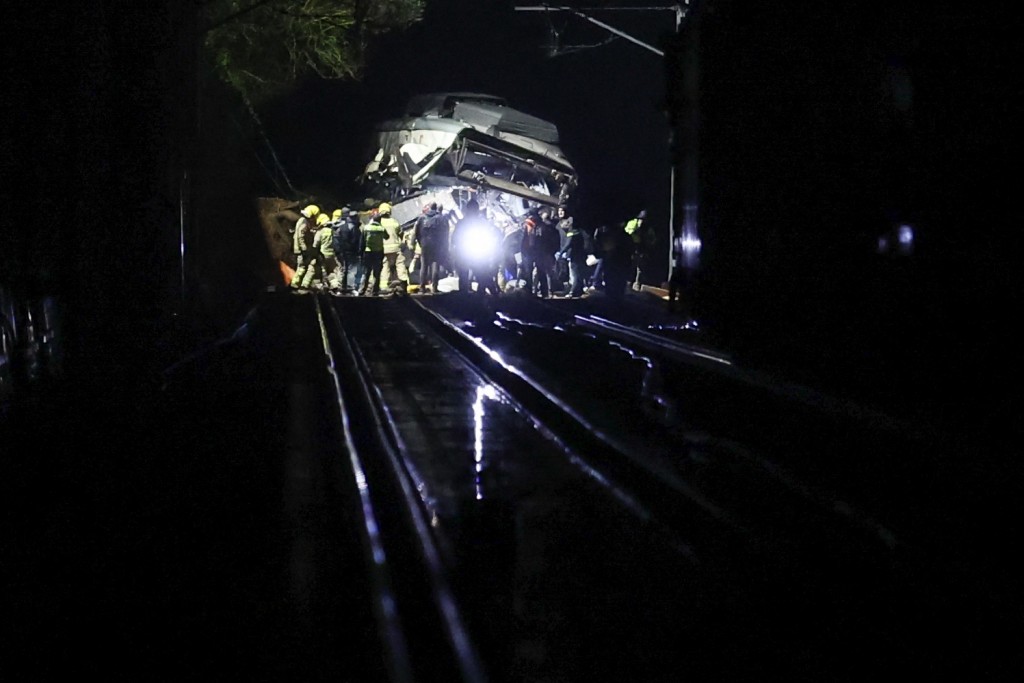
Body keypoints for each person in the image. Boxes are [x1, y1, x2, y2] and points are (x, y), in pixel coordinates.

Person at [451, 199, 501, 296]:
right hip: (470, 252)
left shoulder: (464, 223)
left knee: (479, 275)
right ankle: (481, 296)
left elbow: (454, 239)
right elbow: (455, 239)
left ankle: (479, 296)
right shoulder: (479, 223)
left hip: (473, 251)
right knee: (480, 275)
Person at [415, 202, 449, 293]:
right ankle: (434, 287)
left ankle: (422, 287)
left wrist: (421, 243)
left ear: (429, 207)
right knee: (435, 265)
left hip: (425, 244)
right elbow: (445, 233)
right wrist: (444, 245)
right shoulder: (441, 218)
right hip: (436, 245)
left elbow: (417, 232)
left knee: (424, 266)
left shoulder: (421, 218)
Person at [378, 202, 409, 294]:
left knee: (385, 267)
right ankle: (404, 283)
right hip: (395, 249)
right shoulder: (394, 222)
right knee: (400, 264)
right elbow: (400, 233)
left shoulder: (378, 223)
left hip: (383, 249)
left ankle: (383, 286)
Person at [556, 207, 587, 298]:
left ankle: (574, 291)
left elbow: (570, 240)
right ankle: (577, 289)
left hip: (575, 251)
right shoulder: (561, 223)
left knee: (575, 271)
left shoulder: (572, 224)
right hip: (569, 251)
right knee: (572, 271)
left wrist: (562, 252)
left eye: (562, 211)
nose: (560, 213)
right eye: (559, 211)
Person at [357, 208, 387, 296]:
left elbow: (362, 242)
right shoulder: (381, 228)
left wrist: (360, 253)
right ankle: (375, 291)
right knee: (377, 273)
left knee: (366, 272)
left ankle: (362, 290)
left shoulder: (366, 228)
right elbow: (387, 237)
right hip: (378, 253)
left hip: (368, 252)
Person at [332, 208, 362, 294]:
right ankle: (350, 288)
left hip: (341, 251)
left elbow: (337, 239)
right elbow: (356, 241)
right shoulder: (354, 228)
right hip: (351, 252)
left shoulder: (340, 226)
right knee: (351, 270)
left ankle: (341, 287)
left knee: (343, 269)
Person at [290, 203, 320, 288]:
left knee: (302, 266)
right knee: (302, 267)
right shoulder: (304, 222)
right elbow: (301, 236)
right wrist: (304, 249)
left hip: (299, 249)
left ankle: (300, 284)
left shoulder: (302, 220)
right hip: (302, 250)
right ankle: (295, 284)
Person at [625, 209, 655, 291]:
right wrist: (635, 232)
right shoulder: (632, 223)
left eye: (643, 220)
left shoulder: (647, 227)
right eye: (640, 219)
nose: (641, 221)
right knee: (631, 265)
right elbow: (627, 233)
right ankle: (628, 282)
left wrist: (649, 242)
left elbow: (652, 238)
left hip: (641, 248)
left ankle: (637, 283)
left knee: (640, 267)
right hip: (632, 246)